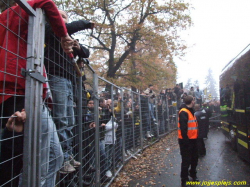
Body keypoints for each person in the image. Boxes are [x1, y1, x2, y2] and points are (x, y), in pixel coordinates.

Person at [0, 0, 73, 186]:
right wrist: (64, 35)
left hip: (25, 93)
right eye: (60, 16)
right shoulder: (21, 11)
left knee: (53, 158)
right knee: (34, 164)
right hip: (21, 92)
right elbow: (47, 2)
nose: (60, 18)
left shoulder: (15, 19)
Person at [44, 10, 95, 174]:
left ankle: (67, 154)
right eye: (60, 16)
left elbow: (86, 53)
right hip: (56, 77)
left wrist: (77, 45)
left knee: (69, 119)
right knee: (62, 119)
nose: (62, 19)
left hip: (68, 80)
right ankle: (62, 158)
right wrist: (85, 23)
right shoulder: (51, 29)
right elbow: (63, 27)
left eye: (65, 16)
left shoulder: (67, 36)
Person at [178, 95, 199, 187]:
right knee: (186, 160)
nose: (194, 102)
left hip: (193, 139)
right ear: (192, 102)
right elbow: (183, 129)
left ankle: (193, 174)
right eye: (194, 100)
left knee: (194, 158)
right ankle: (184, 179)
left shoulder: (191, 111)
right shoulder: (184, 112)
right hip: (186, 141)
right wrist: (186, 142)